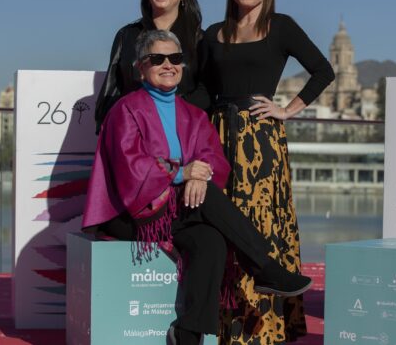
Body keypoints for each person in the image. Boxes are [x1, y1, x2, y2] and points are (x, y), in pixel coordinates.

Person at [82, 30, 312, 345]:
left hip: (176, 211)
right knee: (207, 199)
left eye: (175, 58)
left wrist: (196, 175)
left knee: (212, 240)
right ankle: (265, 266)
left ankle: (188, 332)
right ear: (140, 67)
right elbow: (130, 168)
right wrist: (182, 173)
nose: (168, 65)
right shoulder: (126, 109)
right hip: (131, 214)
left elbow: (214, 160)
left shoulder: (192, 114)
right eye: (157, 59)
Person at [198, 0, 335, 343]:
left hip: (260, 141)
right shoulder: (213, 34)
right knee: (224, 229)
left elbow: (323, 71)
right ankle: (229, 327)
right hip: (217, 138)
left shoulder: (282, 26)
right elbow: (200, 92)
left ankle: (264, 329)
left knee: (260, 226)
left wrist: (287, 110)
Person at [94, 0, 208, 133]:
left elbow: (207, 91)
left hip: (184, 133)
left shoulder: (200, 39)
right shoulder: (127, 35)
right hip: (133, 133)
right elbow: (111, 92)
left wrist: (169, 109)